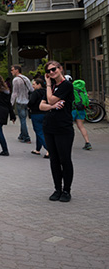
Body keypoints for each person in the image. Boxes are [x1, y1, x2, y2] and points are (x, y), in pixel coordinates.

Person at [40, 60, 75, 202]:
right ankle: (57, 189)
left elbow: (50, 99)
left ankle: (66, 190)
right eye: (48, 71)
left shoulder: (66, 85)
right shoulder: (52, 86)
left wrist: (48, 86)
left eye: (54, 69)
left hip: (63, 128)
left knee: (64, 159)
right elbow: (42, 105)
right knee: (54, 160)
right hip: (49, 127)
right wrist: (52, 107)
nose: (51, 72)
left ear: (60, 69)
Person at [10, 65, 32, 144]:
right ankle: (22, 135)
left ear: (17, 70)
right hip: (27, 101)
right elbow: (31, 89)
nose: (11, 71)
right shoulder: (26, 78)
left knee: (22, 120)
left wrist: (11, 103)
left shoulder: (16, 80)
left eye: (12, 70)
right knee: (24, 119)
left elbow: (14, 93)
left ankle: (26, 137)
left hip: (20, 101)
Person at [28, 78, 48, 157]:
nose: (32, 86)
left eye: (34, 84)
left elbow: (31, 102)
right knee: (41, 131)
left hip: (36, 113)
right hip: (45, 113)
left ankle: (49, 149)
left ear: (39, 84)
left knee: (39, 131)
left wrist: (28, 106)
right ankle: (37, 149)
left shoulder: (35, 92)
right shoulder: (46, 91)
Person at [72, 79, 92, 150]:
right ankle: (87, 142)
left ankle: (67, 143)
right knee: (81, 126)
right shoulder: (83, 90)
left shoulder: (72, 89)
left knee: (68, 126)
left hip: (73, 109)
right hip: (81, 109)